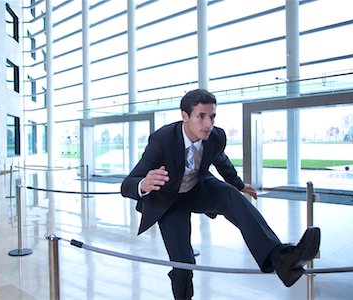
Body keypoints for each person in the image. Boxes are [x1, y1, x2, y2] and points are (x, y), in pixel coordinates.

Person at [120, 89, 320, 300]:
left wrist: (239, 184)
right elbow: (127, 185)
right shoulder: (162, 139)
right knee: (183, 264)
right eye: (201, 116)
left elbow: (221, 160)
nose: (208, 124)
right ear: (184, 116)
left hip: (198, 189)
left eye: (212, 116)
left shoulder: (216, 137)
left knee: (229, 194)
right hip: (170, 202)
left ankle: (281, 260)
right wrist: (144, 183)